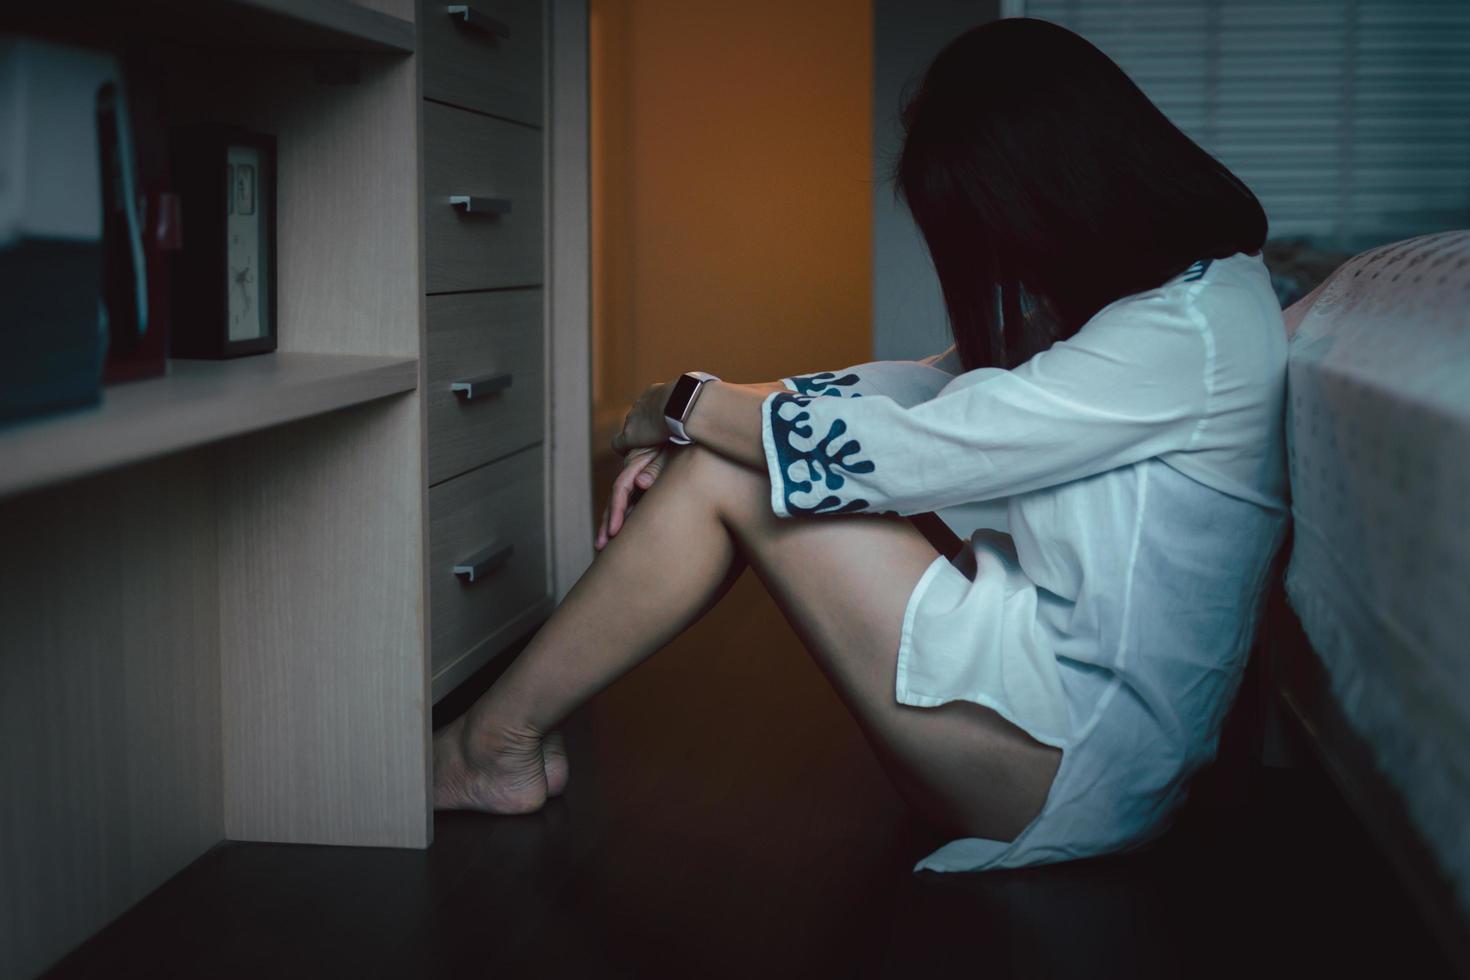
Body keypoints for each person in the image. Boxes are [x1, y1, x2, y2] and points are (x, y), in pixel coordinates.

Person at [432, 17, 1290, 873]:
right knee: (741, 457)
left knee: (726, 478)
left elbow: (914, 447)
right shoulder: (1175, 303)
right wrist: (699, 410)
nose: (1007, 267)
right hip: (1054, 731)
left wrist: (679, 406)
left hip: (1070, 771)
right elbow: (919, 388)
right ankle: (498, 740)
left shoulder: (1184, 336)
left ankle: (492, 742)